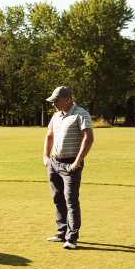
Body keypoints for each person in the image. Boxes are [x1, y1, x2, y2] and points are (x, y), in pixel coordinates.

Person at [43, 86, 93, 250]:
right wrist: (46, 157)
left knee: (71, 200)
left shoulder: (81, 114)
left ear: (67, 99)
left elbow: (88, 138)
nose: (53, 104)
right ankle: (62, 232)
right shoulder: (56, 116)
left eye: (56, 101)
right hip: (54, 163)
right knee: (58, 199)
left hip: (71, 163)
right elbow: (49, 136)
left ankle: (71, 237)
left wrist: (78, 161)